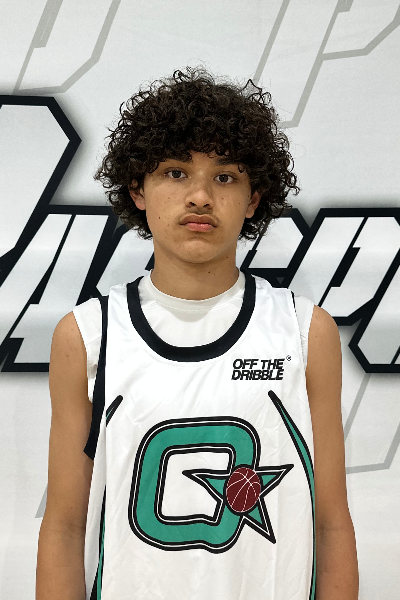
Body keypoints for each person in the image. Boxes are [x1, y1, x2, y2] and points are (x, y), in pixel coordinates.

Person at [36, 67, 358, 600]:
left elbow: (332, 524)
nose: (201, 196)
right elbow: (65, 528)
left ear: (254, 199)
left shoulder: (305, 332)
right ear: (138, 189)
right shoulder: (88, 335)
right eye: (176, 172)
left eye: (225, 177)